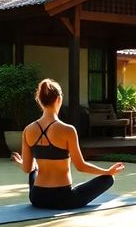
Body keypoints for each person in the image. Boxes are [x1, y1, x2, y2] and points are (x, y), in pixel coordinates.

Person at [11, 79, 124, 209]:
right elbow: (80, 166)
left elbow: (27, 169)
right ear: (58, 99)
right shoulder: (68, 130)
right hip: (63, 199)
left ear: (39, 101)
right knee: (108, 179)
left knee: (34, 168)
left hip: (37, 197)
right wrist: (107, 171)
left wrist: (24, 162)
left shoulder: (28, 130)